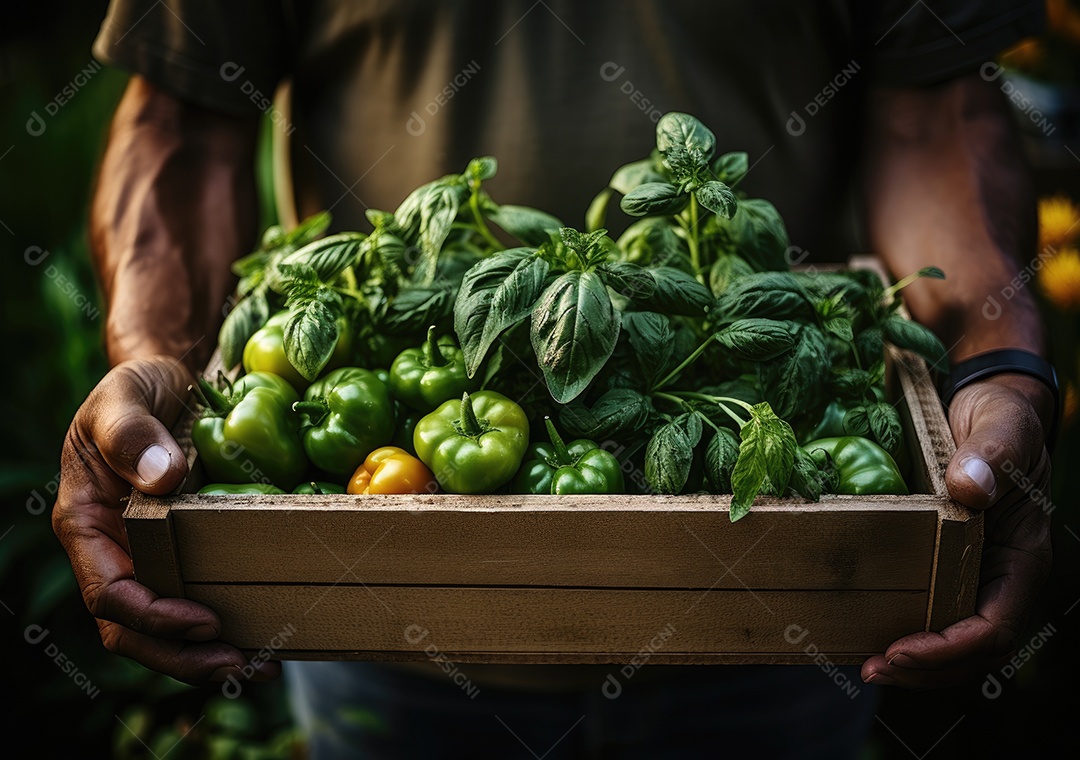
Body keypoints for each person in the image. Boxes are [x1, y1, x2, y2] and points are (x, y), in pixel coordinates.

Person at [54, 1, 1056, 757]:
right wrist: (154, 360)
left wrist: (998, 367)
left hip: (783, 594)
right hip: (380, 611)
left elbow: (939, 107)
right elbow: (186, 117)